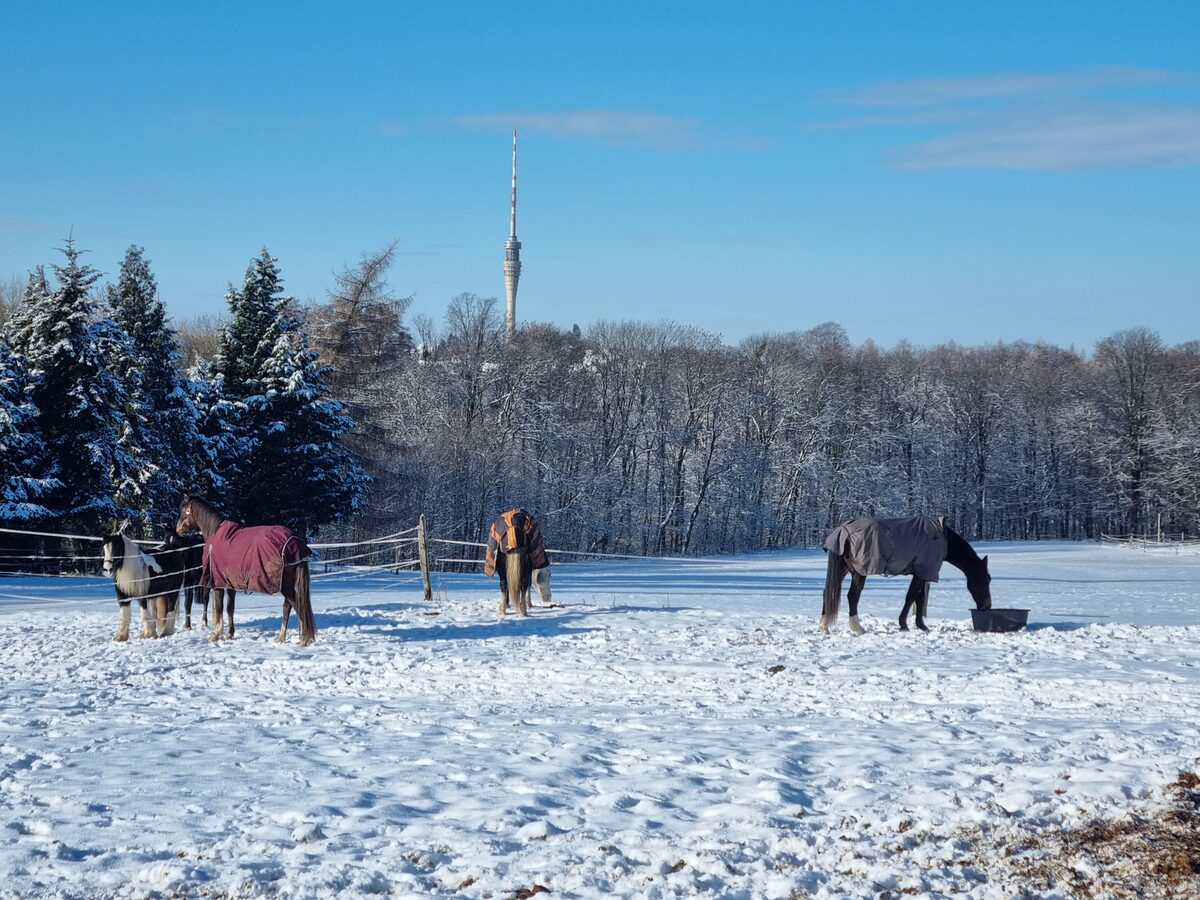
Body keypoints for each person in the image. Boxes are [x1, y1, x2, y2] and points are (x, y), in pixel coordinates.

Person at [483, 508, 552, 607]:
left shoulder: (499, 522)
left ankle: (503, 603)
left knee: (503, 573)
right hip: (523, 550)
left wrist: (490, 563)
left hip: (503, 549)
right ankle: (525, 601)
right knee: (527, 570)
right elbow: (536, 541)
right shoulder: (528, 519)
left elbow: (492, 543)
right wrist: (539, 562)